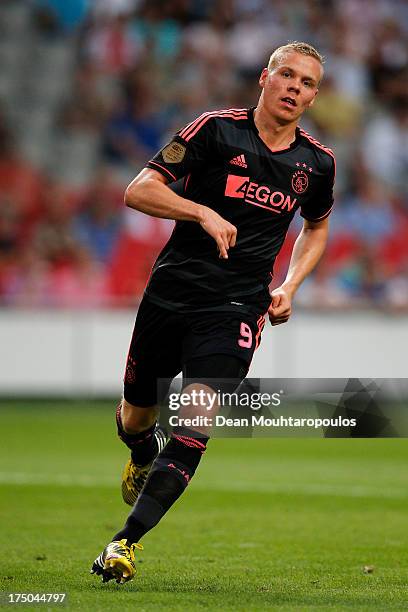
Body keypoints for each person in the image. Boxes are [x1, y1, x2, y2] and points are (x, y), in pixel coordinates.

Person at [91, 41, 335, 584]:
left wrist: (291, 283)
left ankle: (123, 544)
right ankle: (139, 451)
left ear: (315, 96)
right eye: (287, 76)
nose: (295, 88)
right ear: (265, 79)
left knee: (197, 416)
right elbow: (139, 190)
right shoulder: (216, 130)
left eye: (308, 82)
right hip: (171, 293)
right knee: (136, 416)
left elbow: (316, 227)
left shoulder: (317, 164)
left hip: (236, 307)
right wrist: (201, 211)